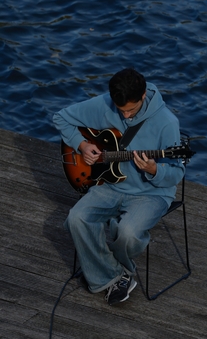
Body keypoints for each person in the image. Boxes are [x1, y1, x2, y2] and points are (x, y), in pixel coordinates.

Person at [53, 68, 185, 305]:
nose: (124, 116)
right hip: (110, 185)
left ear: (143, 96)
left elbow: (176, 173)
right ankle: (115, 276)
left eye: (130, 110)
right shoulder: (106, 104)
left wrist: (154, 170)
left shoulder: (167, 123)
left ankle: (103, 269)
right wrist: (82, 145)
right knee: (77, 218)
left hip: (152, 193)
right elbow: (61, 117)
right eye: (120, 110)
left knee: (128, 233)